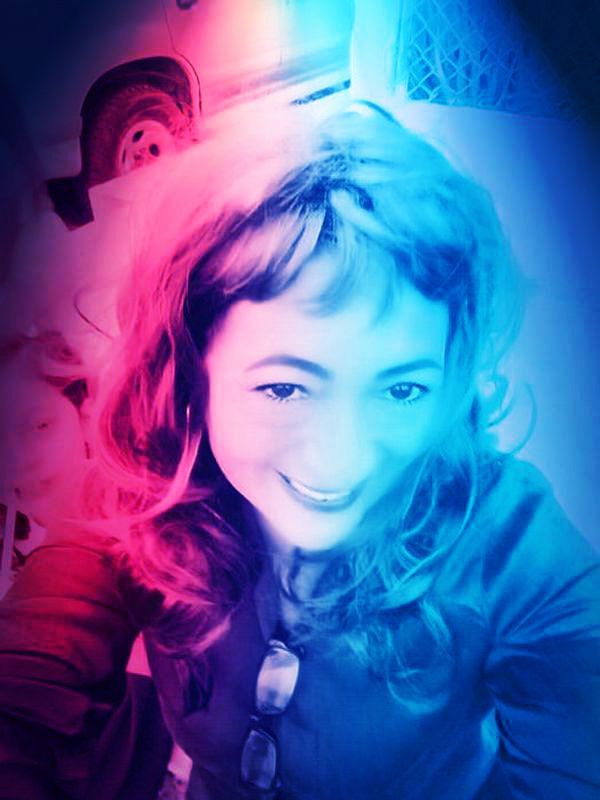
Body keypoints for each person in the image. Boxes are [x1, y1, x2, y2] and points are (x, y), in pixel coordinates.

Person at [0, 101, 598, 800]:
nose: (342, 458)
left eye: (401, 389)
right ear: (193, 370)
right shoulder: (152, 480)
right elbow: (24, 686)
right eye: (284, 388)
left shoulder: (511, 546)